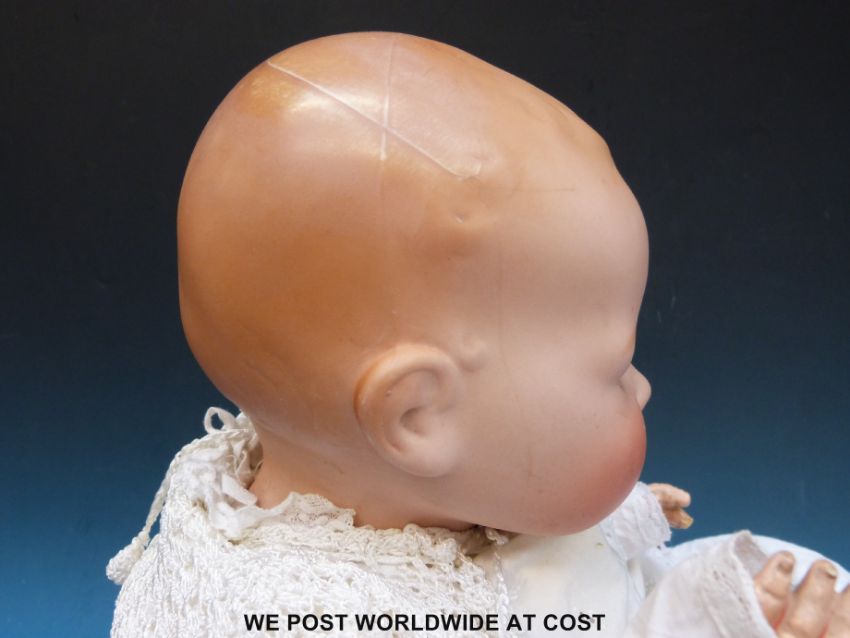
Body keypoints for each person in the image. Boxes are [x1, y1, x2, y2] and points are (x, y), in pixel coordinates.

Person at [107, 32, 850, 637]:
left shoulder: (395, 483)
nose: (642, 385)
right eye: (614, 368)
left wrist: (606, 522)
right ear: (419, 417)